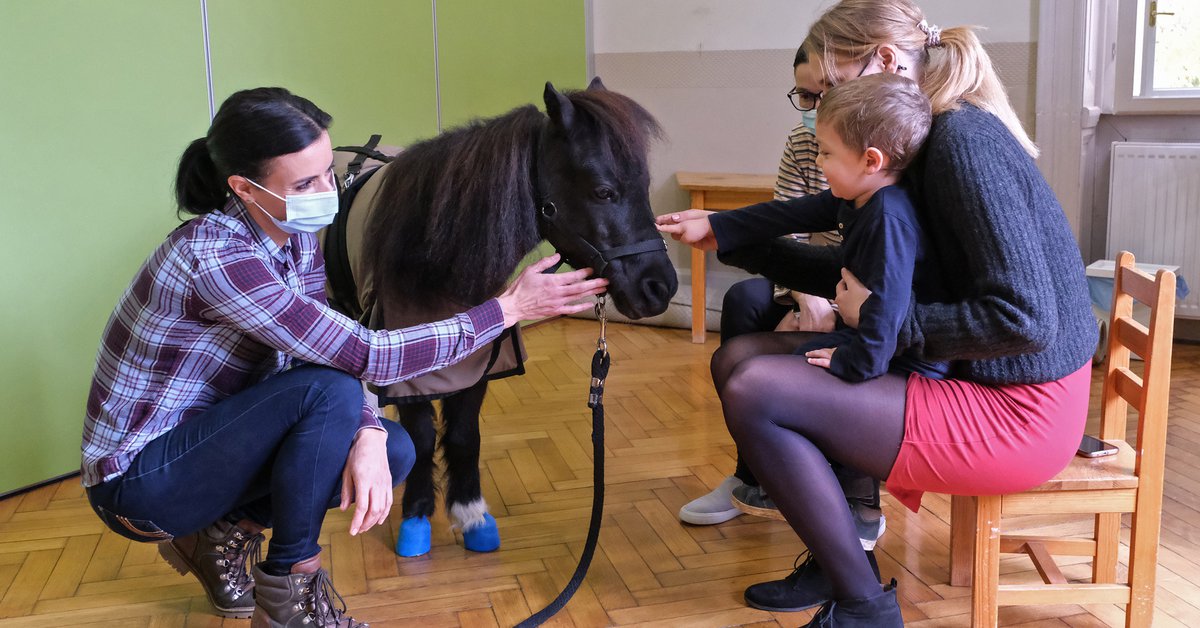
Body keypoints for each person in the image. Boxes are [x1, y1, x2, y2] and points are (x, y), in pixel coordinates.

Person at [81, 87, 607, 627]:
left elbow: (330, 353)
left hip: (214, 444)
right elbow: (364, 354)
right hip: (140, 483)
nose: (325, 191)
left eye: (326, 173)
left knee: (396, 450)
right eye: (304, 183)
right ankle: (291, 600)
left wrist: (372, 434)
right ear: (243, 187)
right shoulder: (215, 257)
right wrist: (508, 308)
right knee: (327, 393)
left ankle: (219, 534)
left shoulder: (293, 234)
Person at [657, 0, 1098, 624]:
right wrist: (733, 238)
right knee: (740, 357)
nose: (817, 115)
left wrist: (881, 323)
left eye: (826, 92)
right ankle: (836, 561)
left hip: (1021, 404)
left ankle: (863, 605)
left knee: (759, 389)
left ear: (885, 63)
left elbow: (1026, 322)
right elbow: (855, 280)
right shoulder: (917, 143)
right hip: (975, 371)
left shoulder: (960, 144)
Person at [678, 45, 888, 559]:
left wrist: (834, 304)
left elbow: (877, 273)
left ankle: (859, 503)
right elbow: (787, 219)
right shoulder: (807, 141)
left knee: (847, 340)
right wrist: (804, 296)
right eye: (805, 95)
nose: (812, 105)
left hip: (859, 293)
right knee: (744, 302)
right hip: (813, 279)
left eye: (821, 92)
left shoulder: (884, 173)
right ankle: (753, 476)